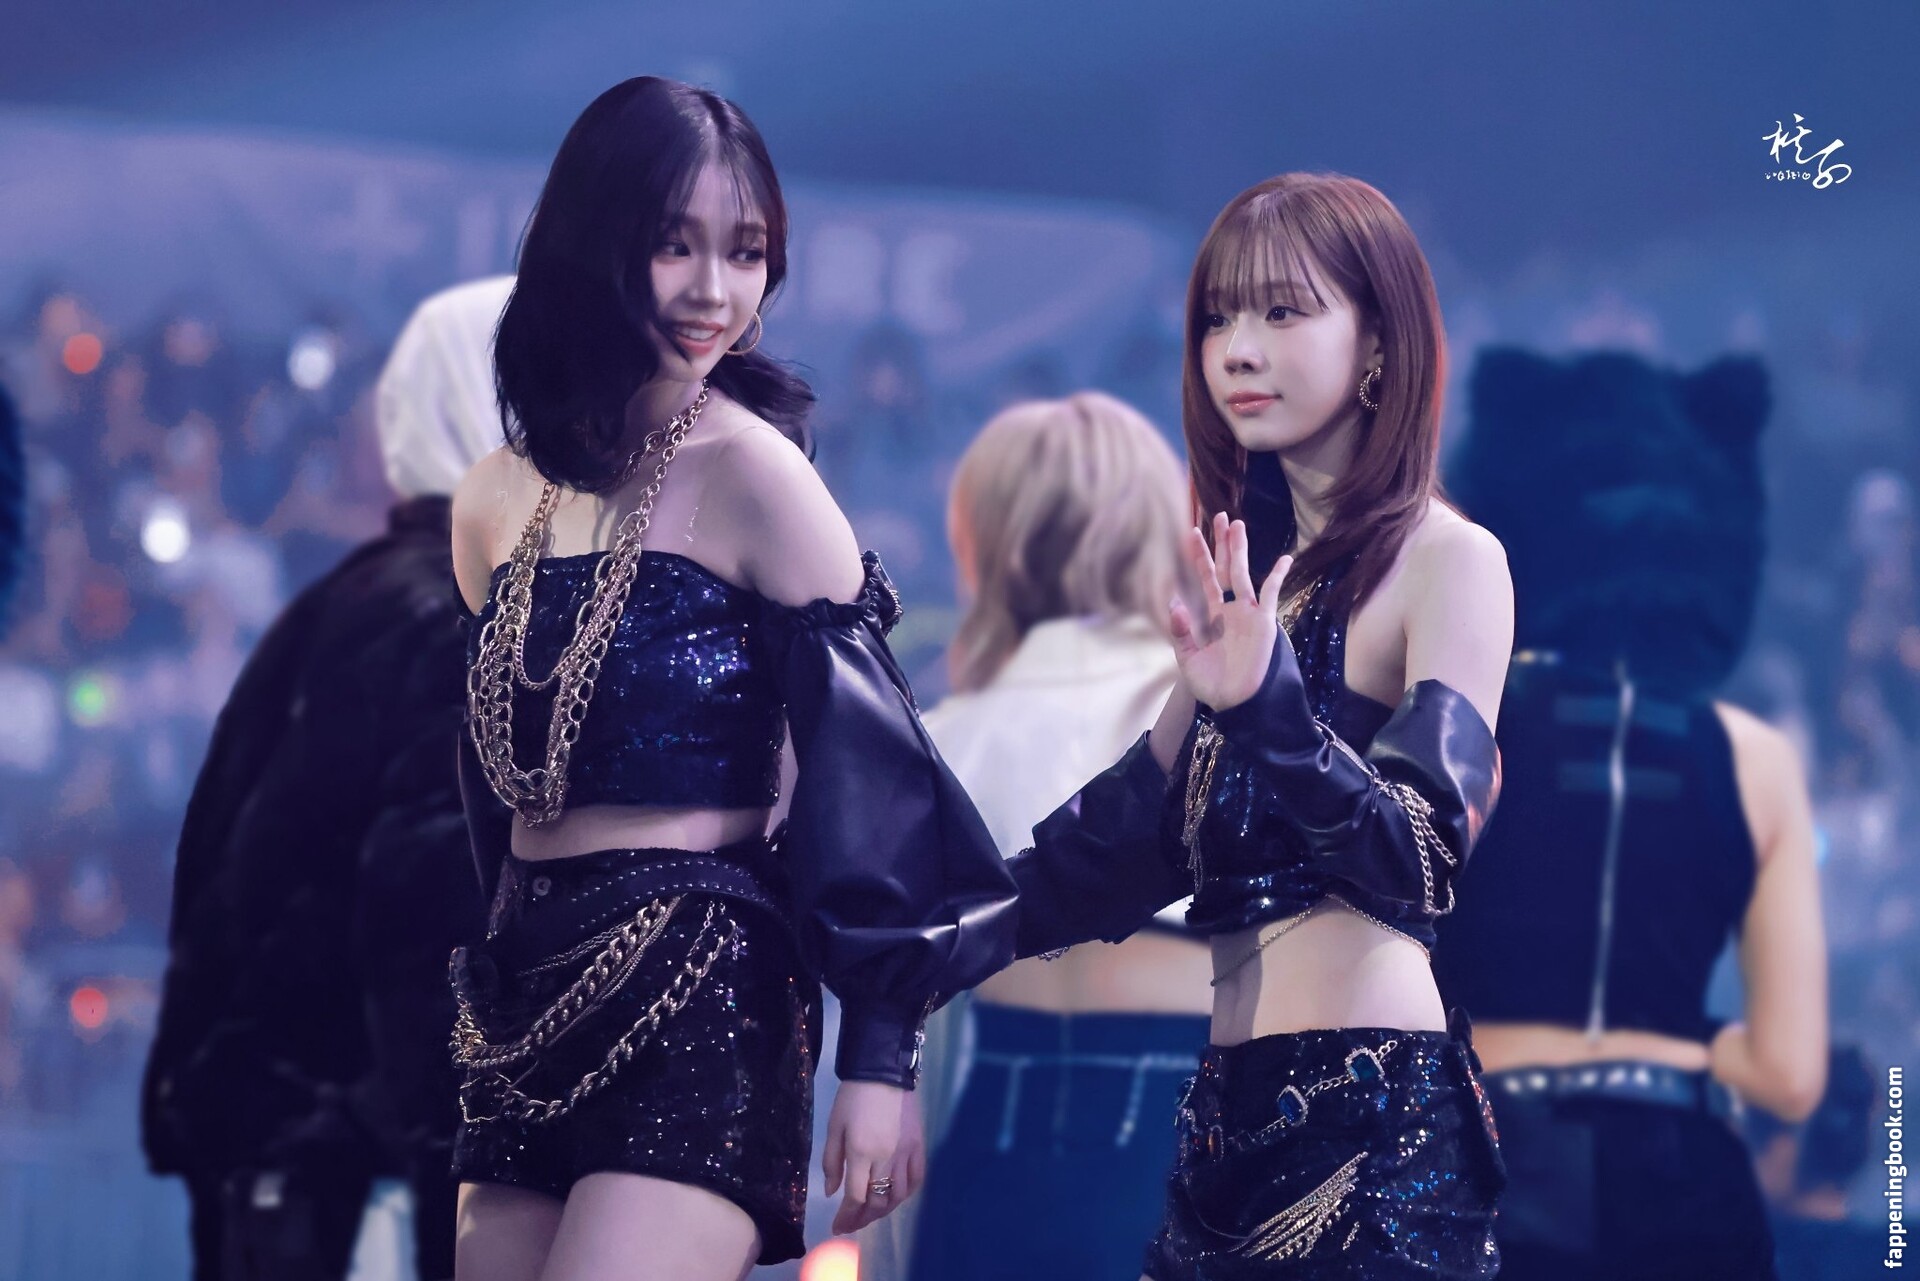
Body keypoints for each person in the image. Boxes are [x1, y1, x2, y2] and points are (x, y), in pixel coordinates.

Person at [446, 77, 1016, 1281]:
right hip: (517, 1002)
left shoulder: (759, 478)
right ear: (592, 243)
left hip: (698, 991)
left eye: (746, 252)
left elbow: (873, 787)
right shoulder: (493, 500)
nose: (716, 288)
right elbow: (494, 785)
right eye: (676, 244)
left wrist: (880, 1060)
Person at [1002, 172, 1514, 1279]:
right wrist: (926, 927)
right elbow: (1125, 844)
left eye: (1283, 313)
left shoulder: (1450, 559)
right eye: (1218, 318)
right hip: (1221, 1130)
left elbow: (1422, 854)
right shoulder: (1258, 585)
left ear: (1377, 343)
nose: (1237, 350)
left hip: (1372, 1129)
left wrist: (1269, 712)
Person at [139, 277, 509, 1281]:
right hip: (338, 1112)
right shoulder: (449, 611)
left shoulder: (374, 592)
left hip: (283, 1102)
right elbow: (423, 907)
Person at [1433, 346, 1829, 1280]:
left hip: (1480, 1154)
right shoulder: (1757, 758)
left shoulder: (1453, 723)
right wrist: (1685, 1050)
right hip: (1683, 1174)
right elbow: (1790, 1074)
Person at [859, 393, 1211, 1281]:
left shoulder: (940, 743)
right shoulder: (1212, 715)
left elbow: (906, 1021)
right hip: (1184, 1115)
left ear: (984, 542)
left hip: (995, 1123)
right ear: (1158, 530)